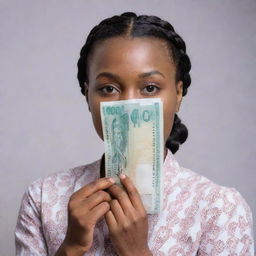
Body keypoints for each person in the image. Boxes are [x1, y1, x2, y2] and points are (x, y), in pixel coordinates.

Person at [15, 12, 254, 255]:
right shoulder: (44, 198)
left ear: (178, 93)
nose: (129, 107)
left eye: (150, 88)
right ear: (88, 95)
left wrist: (137, 252)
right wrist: (71, 247)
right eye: (109, 88)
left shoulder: (219, 209)